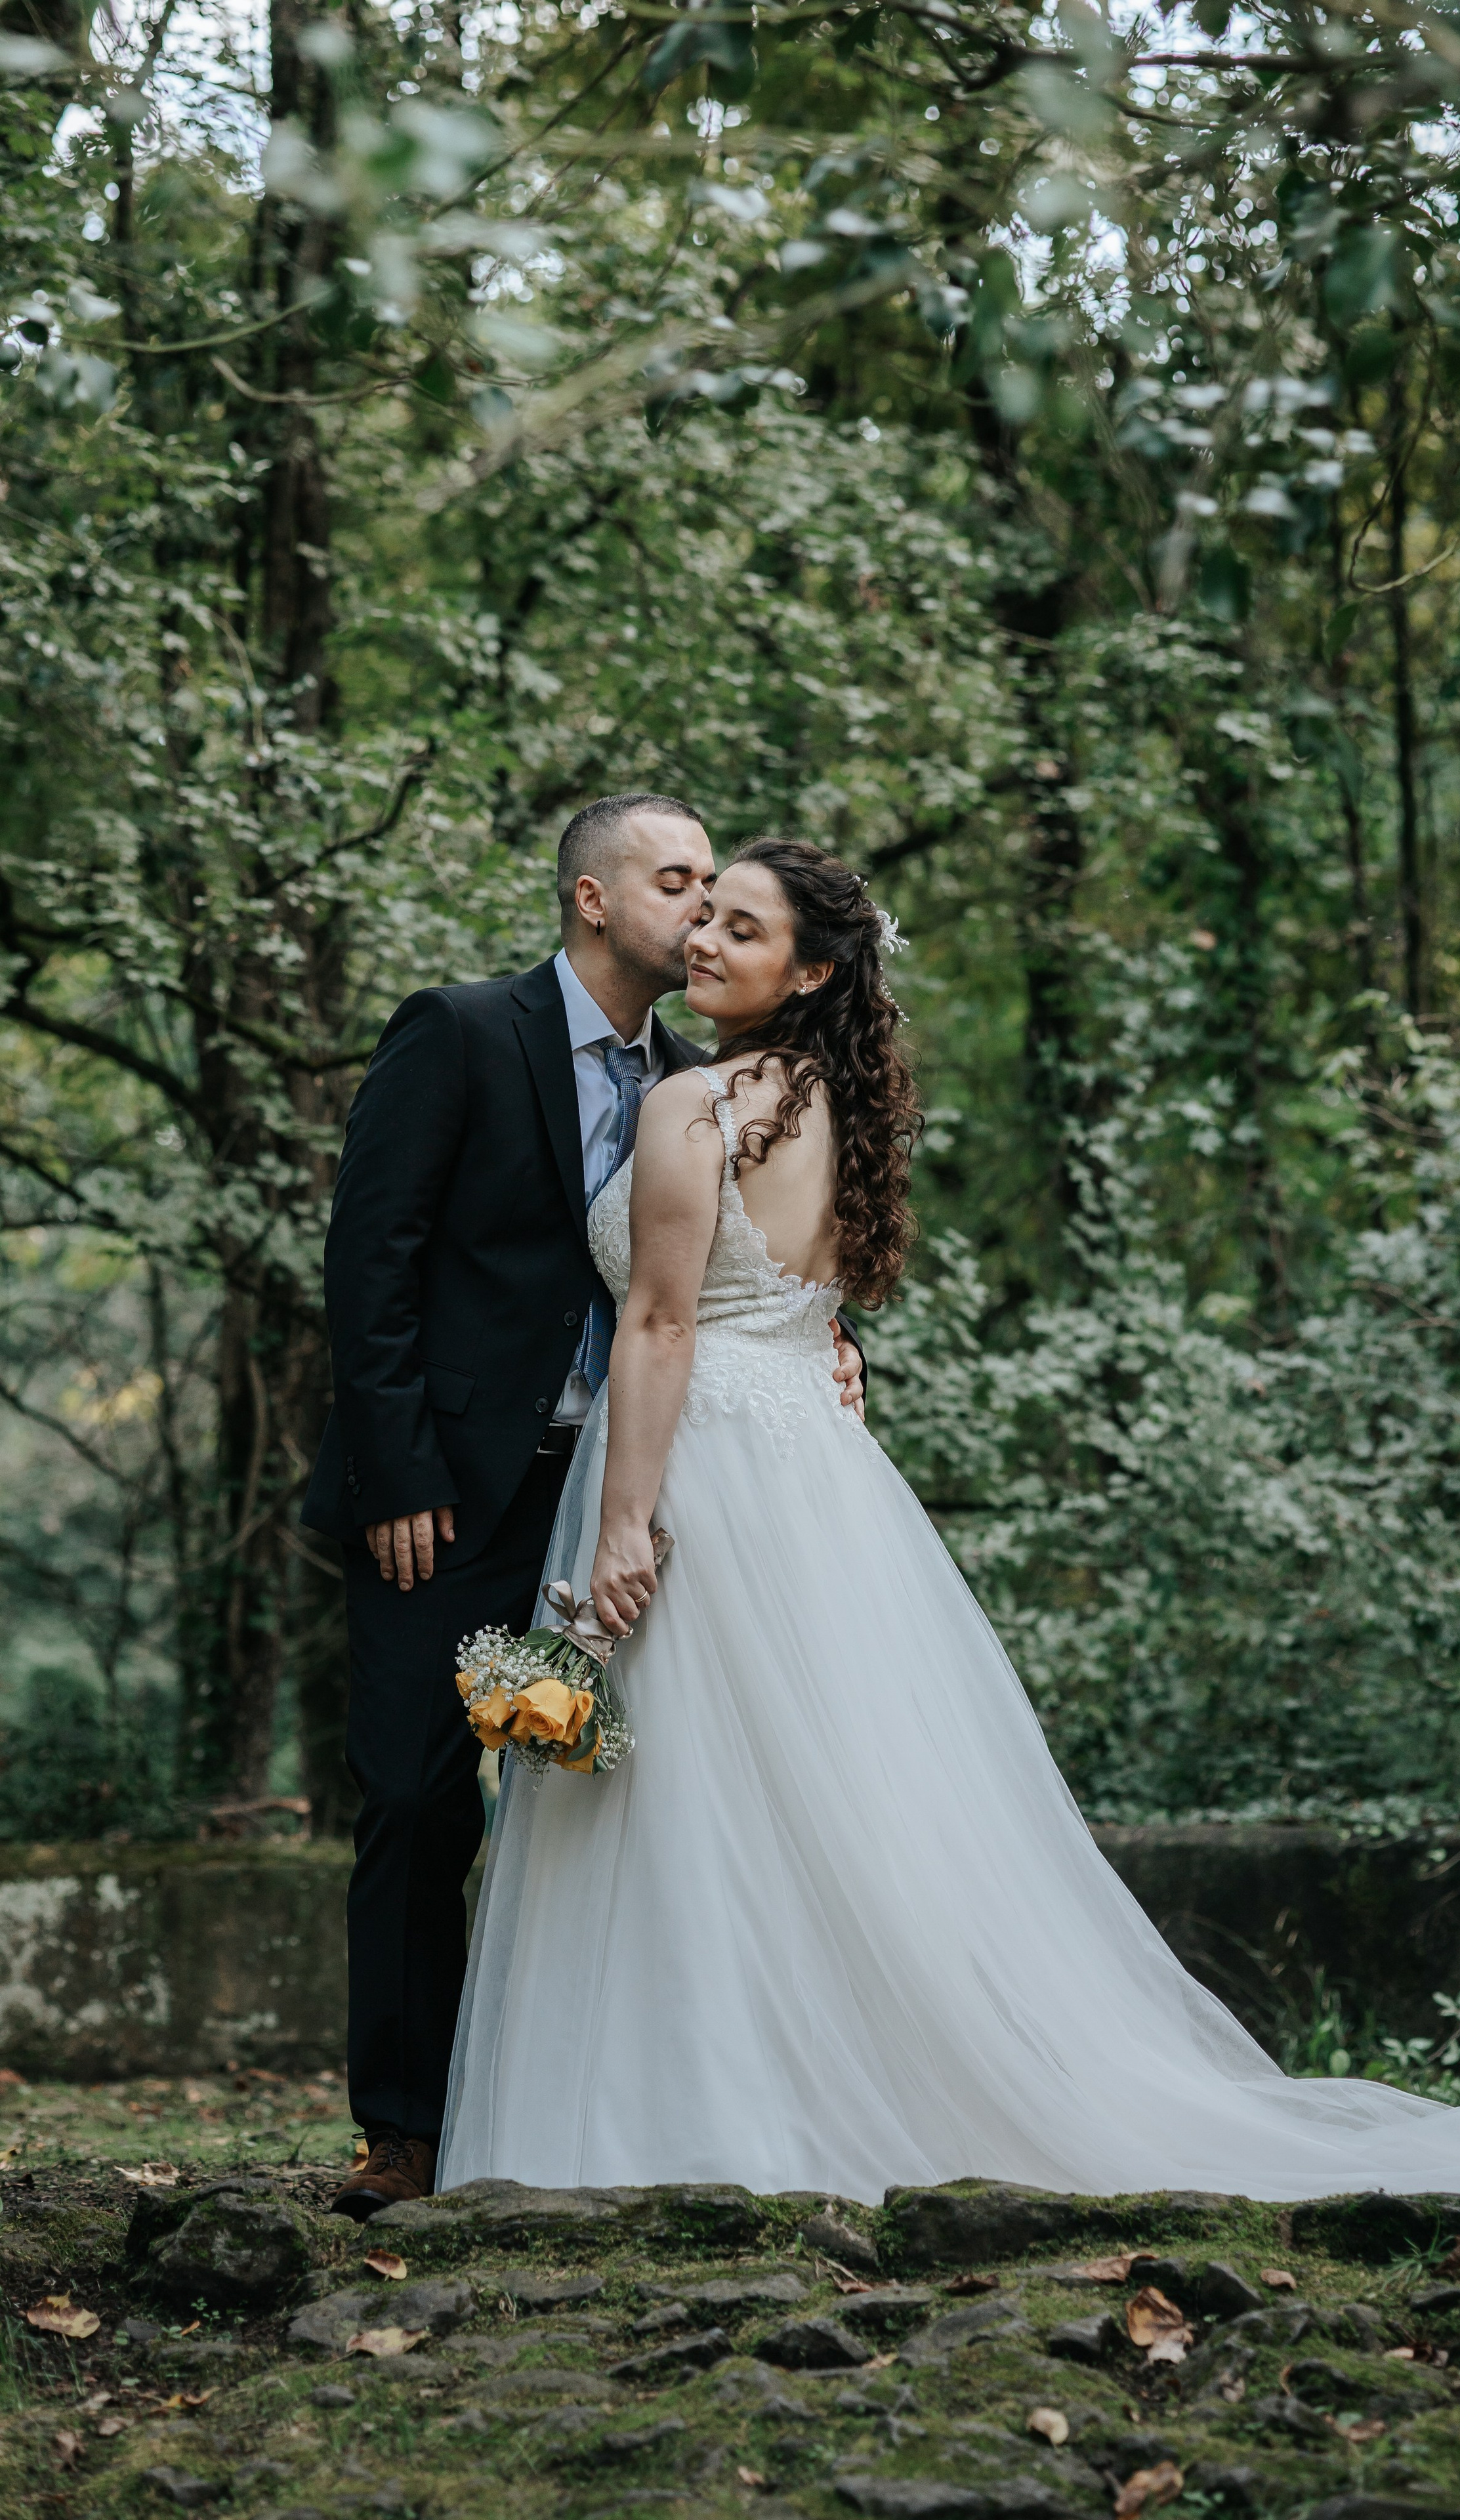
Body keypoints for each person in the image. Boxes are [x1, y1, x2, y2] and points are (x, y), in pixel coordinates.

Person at [438, 839, 1460, 2206]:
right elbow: (800, 1307)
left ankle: (678, 2125)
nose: (702, 940)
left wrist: (623, 1526)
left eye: (739, 928)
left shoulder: (695, 1108)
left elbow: (661, 1322)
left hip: (697, 1464)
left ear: (811, 968)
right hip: (820, 1485)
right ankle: (784, 2092)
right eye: (699, 916)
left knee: (688, 1800)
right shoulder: (837, 1101)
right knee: (824, 1804)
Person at [301, 794, 866, 2219]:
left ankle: (594, 2099)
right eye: (678, 880)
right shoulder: (459, 1030)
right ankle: (404, 2131)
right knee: (421, 1795)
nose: (700, 908)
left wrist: (836, 1347)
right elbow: (370, 1260)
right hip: (448, 1496)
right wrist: (397, 1471)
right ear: (592, 899)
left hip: (630, 1494)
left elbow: (726, 1283)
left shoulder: (706, 1078)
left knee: (626, 1813)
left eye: (720, 891)